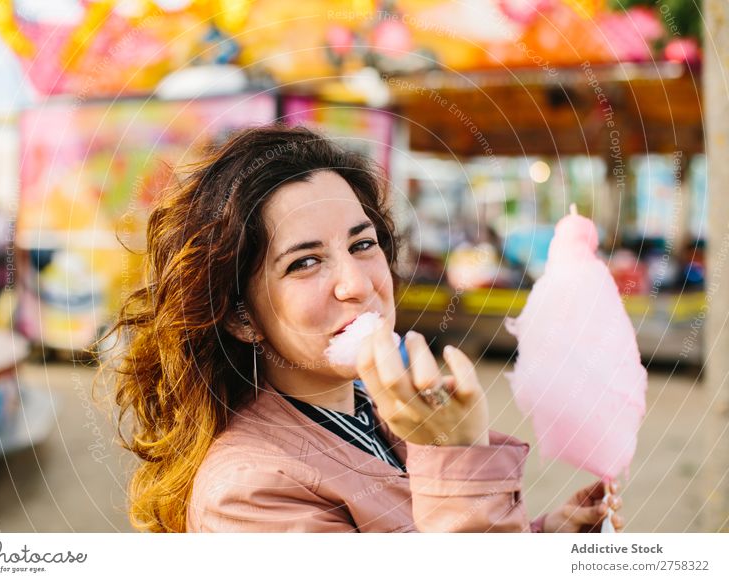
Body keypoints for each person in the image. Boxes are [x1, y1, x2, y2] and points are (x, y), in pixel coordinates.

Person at [110, 124, 623, 533]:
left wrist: (546, 538)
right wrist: (455, 454)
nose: (357, 284)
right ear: (242, 317)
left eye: (362, 245)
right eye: (305, 263)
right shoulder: (249, 495)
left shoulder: (372, 412)